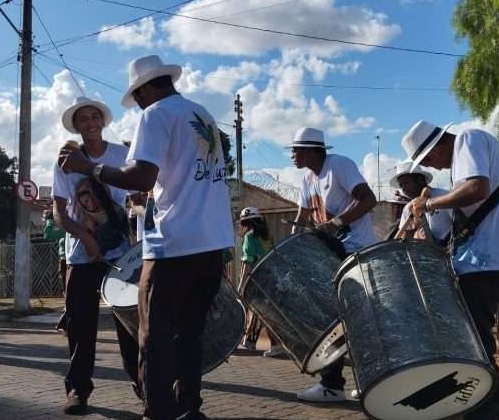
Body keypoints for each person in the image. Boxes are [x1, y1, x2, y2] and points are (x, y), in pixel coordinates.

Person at [60, 54, 234, 420]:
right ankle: (190, 407)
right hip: (213, 243)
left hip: (174, 245)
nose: (136, 103)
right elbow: (183, 177)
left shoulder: (155, 115)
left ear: (143, 89)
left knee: (153, 339)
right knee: (189, 335)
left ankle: (157, 412)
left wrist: (88, 168)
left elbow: (140, 175)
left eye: (136, 96)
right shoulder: (201, 113)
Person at [403, 120, 499, 420]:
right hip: (488, 256)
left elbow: (477, 188)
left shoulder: (467, 139)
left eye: (427, 159)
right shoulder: (466, 150)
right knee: (471, 332)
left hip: (489, 257)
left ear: (437, 144)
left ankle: (490, 402)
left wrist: (430, 204)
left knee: (472, 334)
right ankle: (494, 399)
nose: (431, 167)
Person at [51, 96, 140, 415]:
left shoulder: (121, 154)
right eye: (83, 119)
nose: (90, 123)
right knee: (80, 325)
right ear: (76, 126)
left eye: (94, 117)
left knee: (130, 322)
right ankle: (78, 388)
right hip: (81, 254)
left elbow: (139, 195)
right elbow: (59, 213)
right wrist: (85, 237)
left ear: (102, 121)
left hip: (121, 252)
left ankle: (145, 385)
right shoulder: (65, 160)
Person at [289, 126, 377, 403]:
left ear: (312, 150)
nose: (292, 155)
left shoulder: (339, 165)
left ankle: (371, 381)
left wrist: (337, 223)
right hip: (327, 255)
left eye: (296, 149)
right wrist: (293, 246)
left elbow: (368, 199)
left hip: (354, 252)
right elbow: (303, 216)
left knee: (360, 321)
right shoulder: (306, 178)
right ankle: (332, 385)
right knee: (329, 321)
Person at [237, 207, 282, 357]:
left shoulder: (249, 237)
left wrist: (241, 285)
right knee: (261, 312)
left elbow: (247, 262)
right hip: (273, 277)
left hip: (258, 280)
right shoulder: (267, 236)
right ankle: (249, 342)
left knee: (262, 313)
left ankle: (274, 345)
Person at [391, 161, 452, 243]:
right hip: (428, 253)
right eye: (401, 185)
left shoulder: (443, 196)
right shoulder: (408, 209)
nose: (403, 189)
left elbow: (460, 225)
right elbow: (405, 238)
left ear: (420, 180)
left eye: (406, 183)